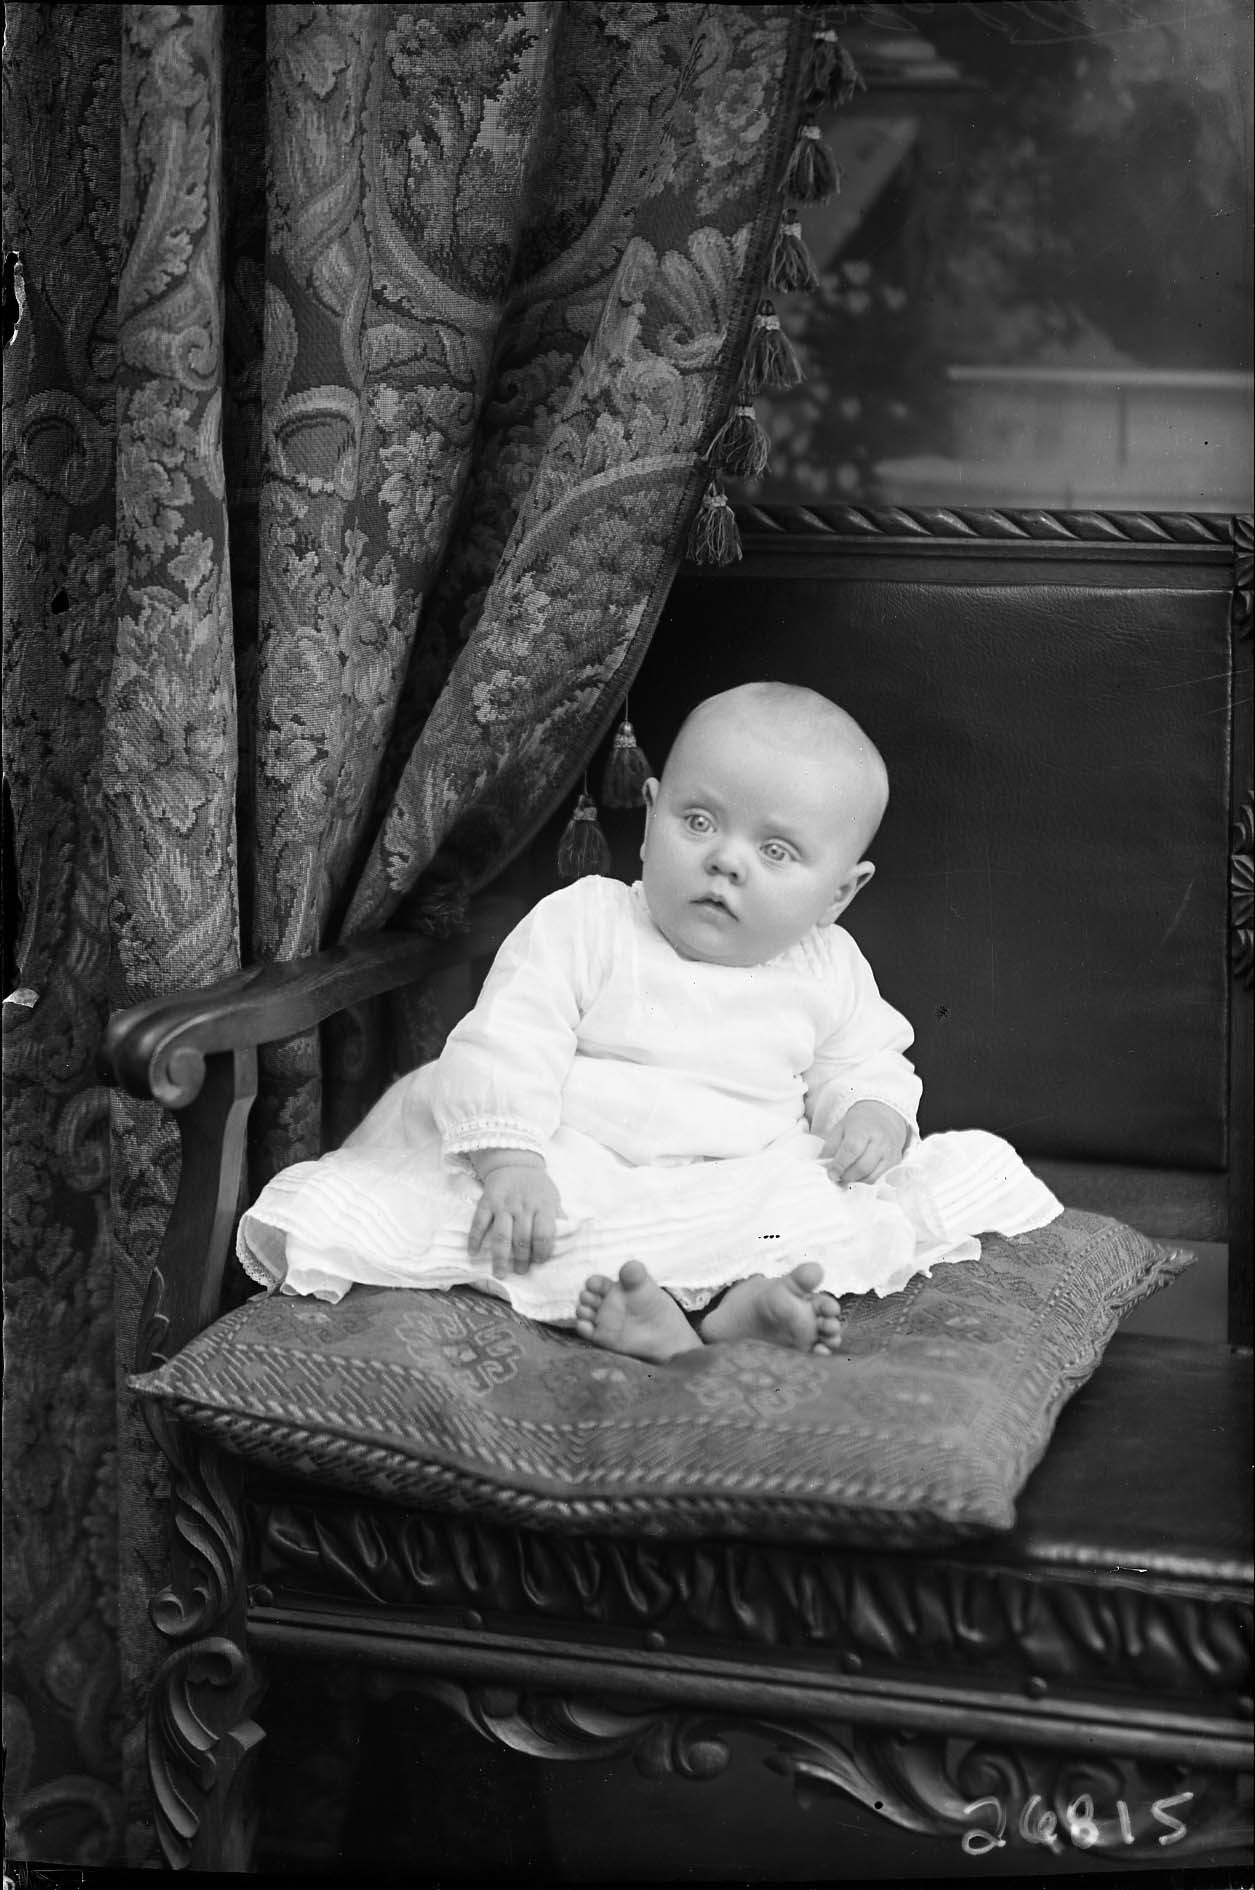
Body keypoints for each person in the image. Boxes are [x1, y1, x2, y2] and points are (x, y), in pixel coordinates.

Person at [238, 682, 1061, 1360]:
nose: (725, 859)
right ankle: (644, 1304)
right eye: (698, 822)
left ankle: (742, 1304)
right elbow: (508, 1039)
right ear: (650, 815)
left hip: (734, 1170)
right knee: (524, 1219)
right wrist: (512, 1163)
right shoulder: (588, 923)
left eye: (775, 851)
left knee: (814, 1202)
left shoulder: (827, 966)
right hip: (574, 1149)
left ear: (838, 893)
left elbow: (863, 1060)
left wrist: (869, 1113)